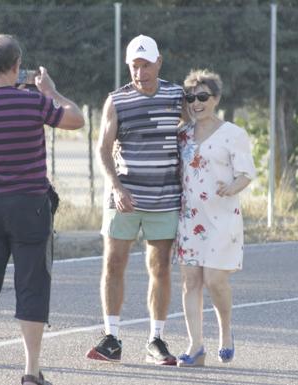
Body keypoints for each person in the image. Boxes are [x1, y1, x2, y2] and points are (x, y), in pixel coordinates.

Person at [0, 34, 84, 385]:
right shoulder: (32, 103)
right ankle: (30, 372)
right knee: (32, 285)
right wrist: (50, 92)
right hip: (30, 202)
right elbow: (76, 119)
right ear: (17, 66)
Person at [85, 34, 183, 366]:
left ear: (159, 62)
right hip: (124, 197)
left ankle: (156, 340)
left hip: (165, 197)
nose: (140, 72)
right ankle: (111, 337)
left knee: (161, 268)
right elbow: (102, 148)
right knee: (114, 264)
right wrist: (115, 187)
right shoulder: (117, 100)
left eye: (145, 65)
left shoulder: (175, 96)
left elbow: (197, 128)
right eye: (134, 66)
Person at [173, 69, 256, 367]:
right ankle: (195, 346)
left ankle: (225, 332)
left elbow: (246, 173)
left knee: (215, 280)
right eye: (191, 97)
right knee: (190, 281)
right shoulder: (182, 135)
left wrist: (231, 187)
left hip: (222, 219)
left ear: (216, 98)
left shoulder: (233, 134)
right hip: (189, 218)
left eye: (203, 97)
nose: (196, 103)